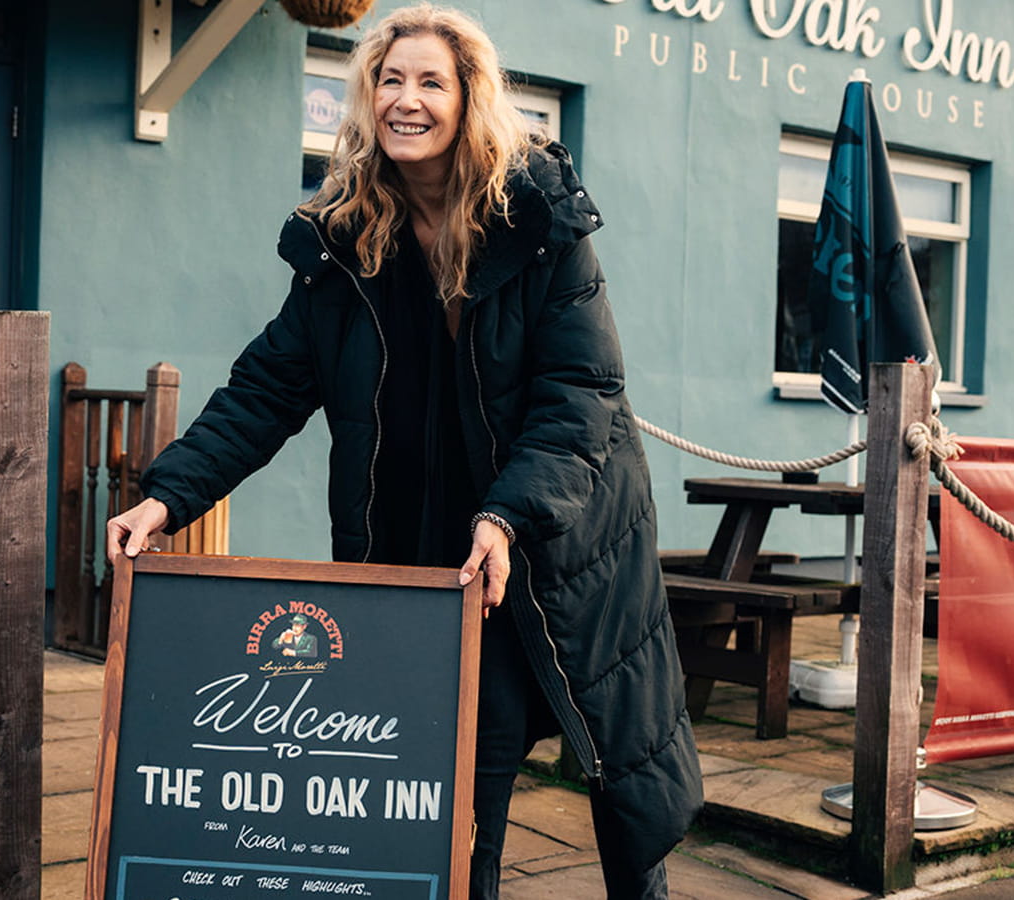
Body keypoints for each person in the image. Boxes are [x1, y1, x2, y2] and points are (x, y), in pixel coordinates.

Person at [106, 5, 702, 897]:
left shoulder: (539, 224)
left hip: (554, 542)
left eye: (431, 81)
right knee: (453, 779)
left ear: (470, 99)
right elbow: (265, 391)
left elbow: (581, 397)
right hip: (418, 558)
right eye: (389, 81)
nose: (406, 100)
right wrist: (166, 498)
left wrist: (507, 515)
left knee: (621, 772)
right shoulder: (346, 242)